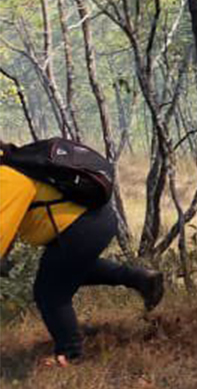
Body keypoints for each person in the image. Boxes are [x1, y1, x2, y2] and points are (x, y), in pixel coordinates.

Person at [0, 153, 163, 364]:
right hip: (92, 222)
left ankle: (70, 354)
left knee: (49, 291)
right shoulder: (14, 167)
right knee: (71, 270)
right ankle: (142, 278)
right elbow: (11, 222)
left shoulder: (7, 178)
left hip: (81, 227)